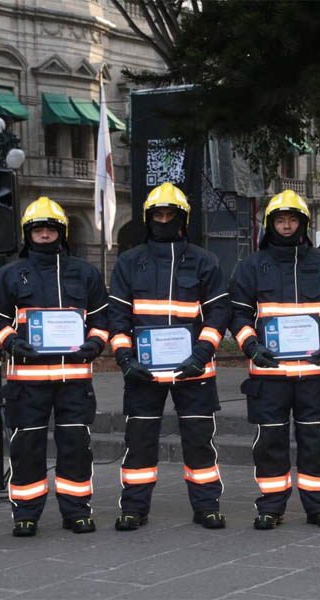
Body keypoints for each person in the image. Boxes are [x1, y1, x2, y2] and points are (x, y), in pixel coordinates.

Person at [108, 182, 231, 531]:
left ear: (183, 219)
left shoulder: (205, 261)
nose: (164, 220)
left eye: (170, 215)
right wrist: (125, 359)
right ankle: (134, 508)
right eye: (158, 215)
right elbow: (117, 317)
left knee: (199, 442)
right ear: (148, 219)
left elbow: (218, 314)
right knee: (139, 444)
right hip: (142, 372)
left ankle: (207, 506)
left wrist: (202, 354)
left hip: (194, 369)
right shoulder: (129, 262)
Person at [230, 190, 320, 530]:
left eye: (292, 220)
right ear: (270, 224)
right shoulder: (252, 266)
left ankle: (319, 506)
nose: (286, 226)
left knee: (315, 441)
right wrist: (251, 346)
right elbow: (237, 314)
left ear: (303, 223)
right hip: (268, 373)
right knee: (269, 442)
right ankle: (271, 506)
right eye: (280, 220)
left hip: (314, 371)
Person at [0, 197, 109, 537]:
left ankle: (77, 511)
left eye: (51, 228)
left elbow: (102, 318)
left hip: (74, 379)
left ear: (62, 232)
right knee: (26, 448)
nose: (45, 234)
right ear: (28, 233)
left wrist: (95, 343)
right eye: (38, 229)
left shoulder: (85, 272)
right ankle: (26, 513)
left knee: (76, 447)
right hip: (26, 381)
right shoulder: (10, 274)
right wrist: (10, 341)